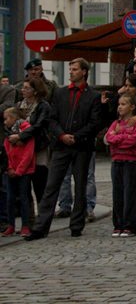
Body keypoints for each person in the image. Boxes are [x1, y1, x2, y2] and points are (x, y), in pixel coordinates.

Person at [26, 58, 103, 241]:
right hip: (61, 146)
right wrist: (61, 135)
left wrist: (76, 136)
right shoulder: (60, 93)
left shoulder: (92, 96)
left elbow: (95, 123)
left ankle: (76, 224)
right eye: (70, 69)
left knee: (81, 185)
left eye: (74, 69)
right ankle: (41, 227)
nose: (71, 72)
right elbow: (52, 119)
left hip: (82, 146)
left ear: (84, 71)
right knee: (52, 186)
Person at [103, 94, 136, 237]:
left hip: (131, 161)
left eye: (124, 104)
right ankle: (118, 223)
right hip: (117, 160)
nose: (120, 106)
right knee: (117, 193)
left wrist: (120, 136)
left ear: (132, 107)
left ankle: (129, 224)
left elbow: (132, 141)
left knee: (129, 194)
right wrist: (121, 137)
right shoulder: (115, 124)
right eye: (119, 104)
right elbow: (109, 138)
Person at [10, 79, 51, 205]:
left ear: (35, 91)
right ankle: (29, 216)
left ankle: (42, 212)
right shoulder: (18, 106)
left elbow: (39, 125)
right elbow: (11, 123)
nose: (23, 90)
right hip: (22, 149)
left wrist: (21, 136)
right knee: (24, 185)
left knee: (39, 181)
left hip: (38, 147)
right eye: (23, 88)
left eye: (26, 88)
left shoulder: (43, 106)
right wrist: (15, 138)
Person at [3, 107, 35, 237]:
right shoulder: (7, 132)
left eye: (7, 119)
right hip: (11, 170)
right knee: (10, 198)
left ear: (14, 118)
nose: (5, 122)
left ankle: (25, 225)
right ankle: (11, 225)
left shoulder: (27, 130)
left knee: (23, 198)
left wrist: (19, 170)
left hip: (25, 171)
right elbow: (6, 152)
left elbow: (28, 153)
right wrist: (9, 167)